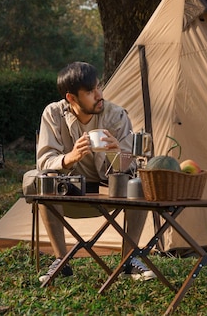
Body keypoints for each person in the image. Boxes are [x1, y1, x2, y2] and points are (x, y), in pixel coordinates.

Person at [24, 61, 155, 283]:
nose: (99, 95)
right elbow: (44, 161)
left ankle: (129, 260)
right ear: (71, 98)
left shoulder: (115, 115)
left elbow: (131, 165)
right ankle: (61, 260)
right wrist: (70, 157)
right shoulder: (53, 114)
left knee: (138, 184)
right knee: (43, 179)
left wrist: (116, 154)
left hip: (109, 191)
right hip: (68, 191)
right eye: (90, 92)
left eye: (98, 87)